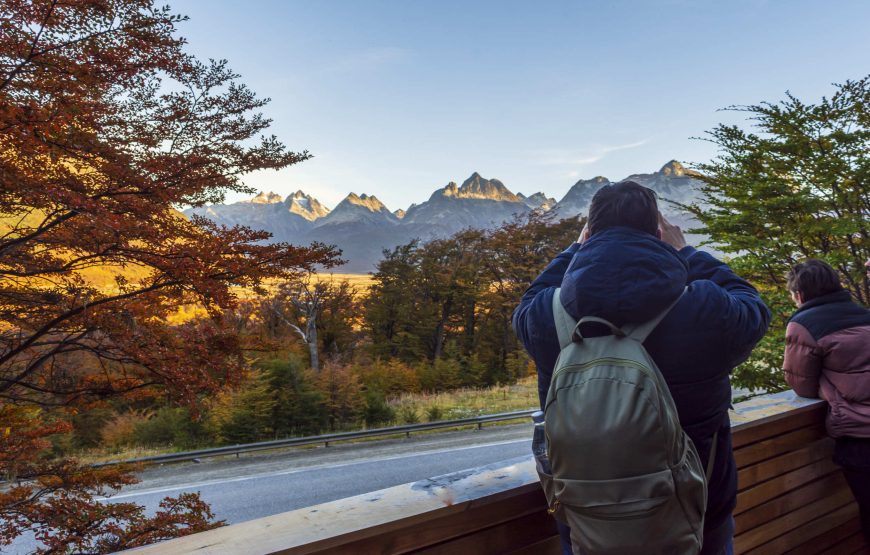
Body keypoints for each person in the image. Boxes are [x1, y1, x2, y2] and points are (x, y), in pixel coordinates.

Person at [512, 181, 770, 555]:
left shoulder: (544, 315)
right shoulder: (705, 309)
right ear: (659, 231)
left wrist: (573, 251)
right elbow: (752, 305)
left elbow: (531, 298)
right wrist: (688, 252)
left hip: (585, 513)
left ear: (589, 233)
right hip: (697, 508)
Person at [783, 258, 870, 541]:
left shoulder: (803, 325)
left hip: (860, 438)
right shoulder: (864, 314)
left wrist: (826, 387)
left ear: (799, 295)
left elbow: (802, 384)